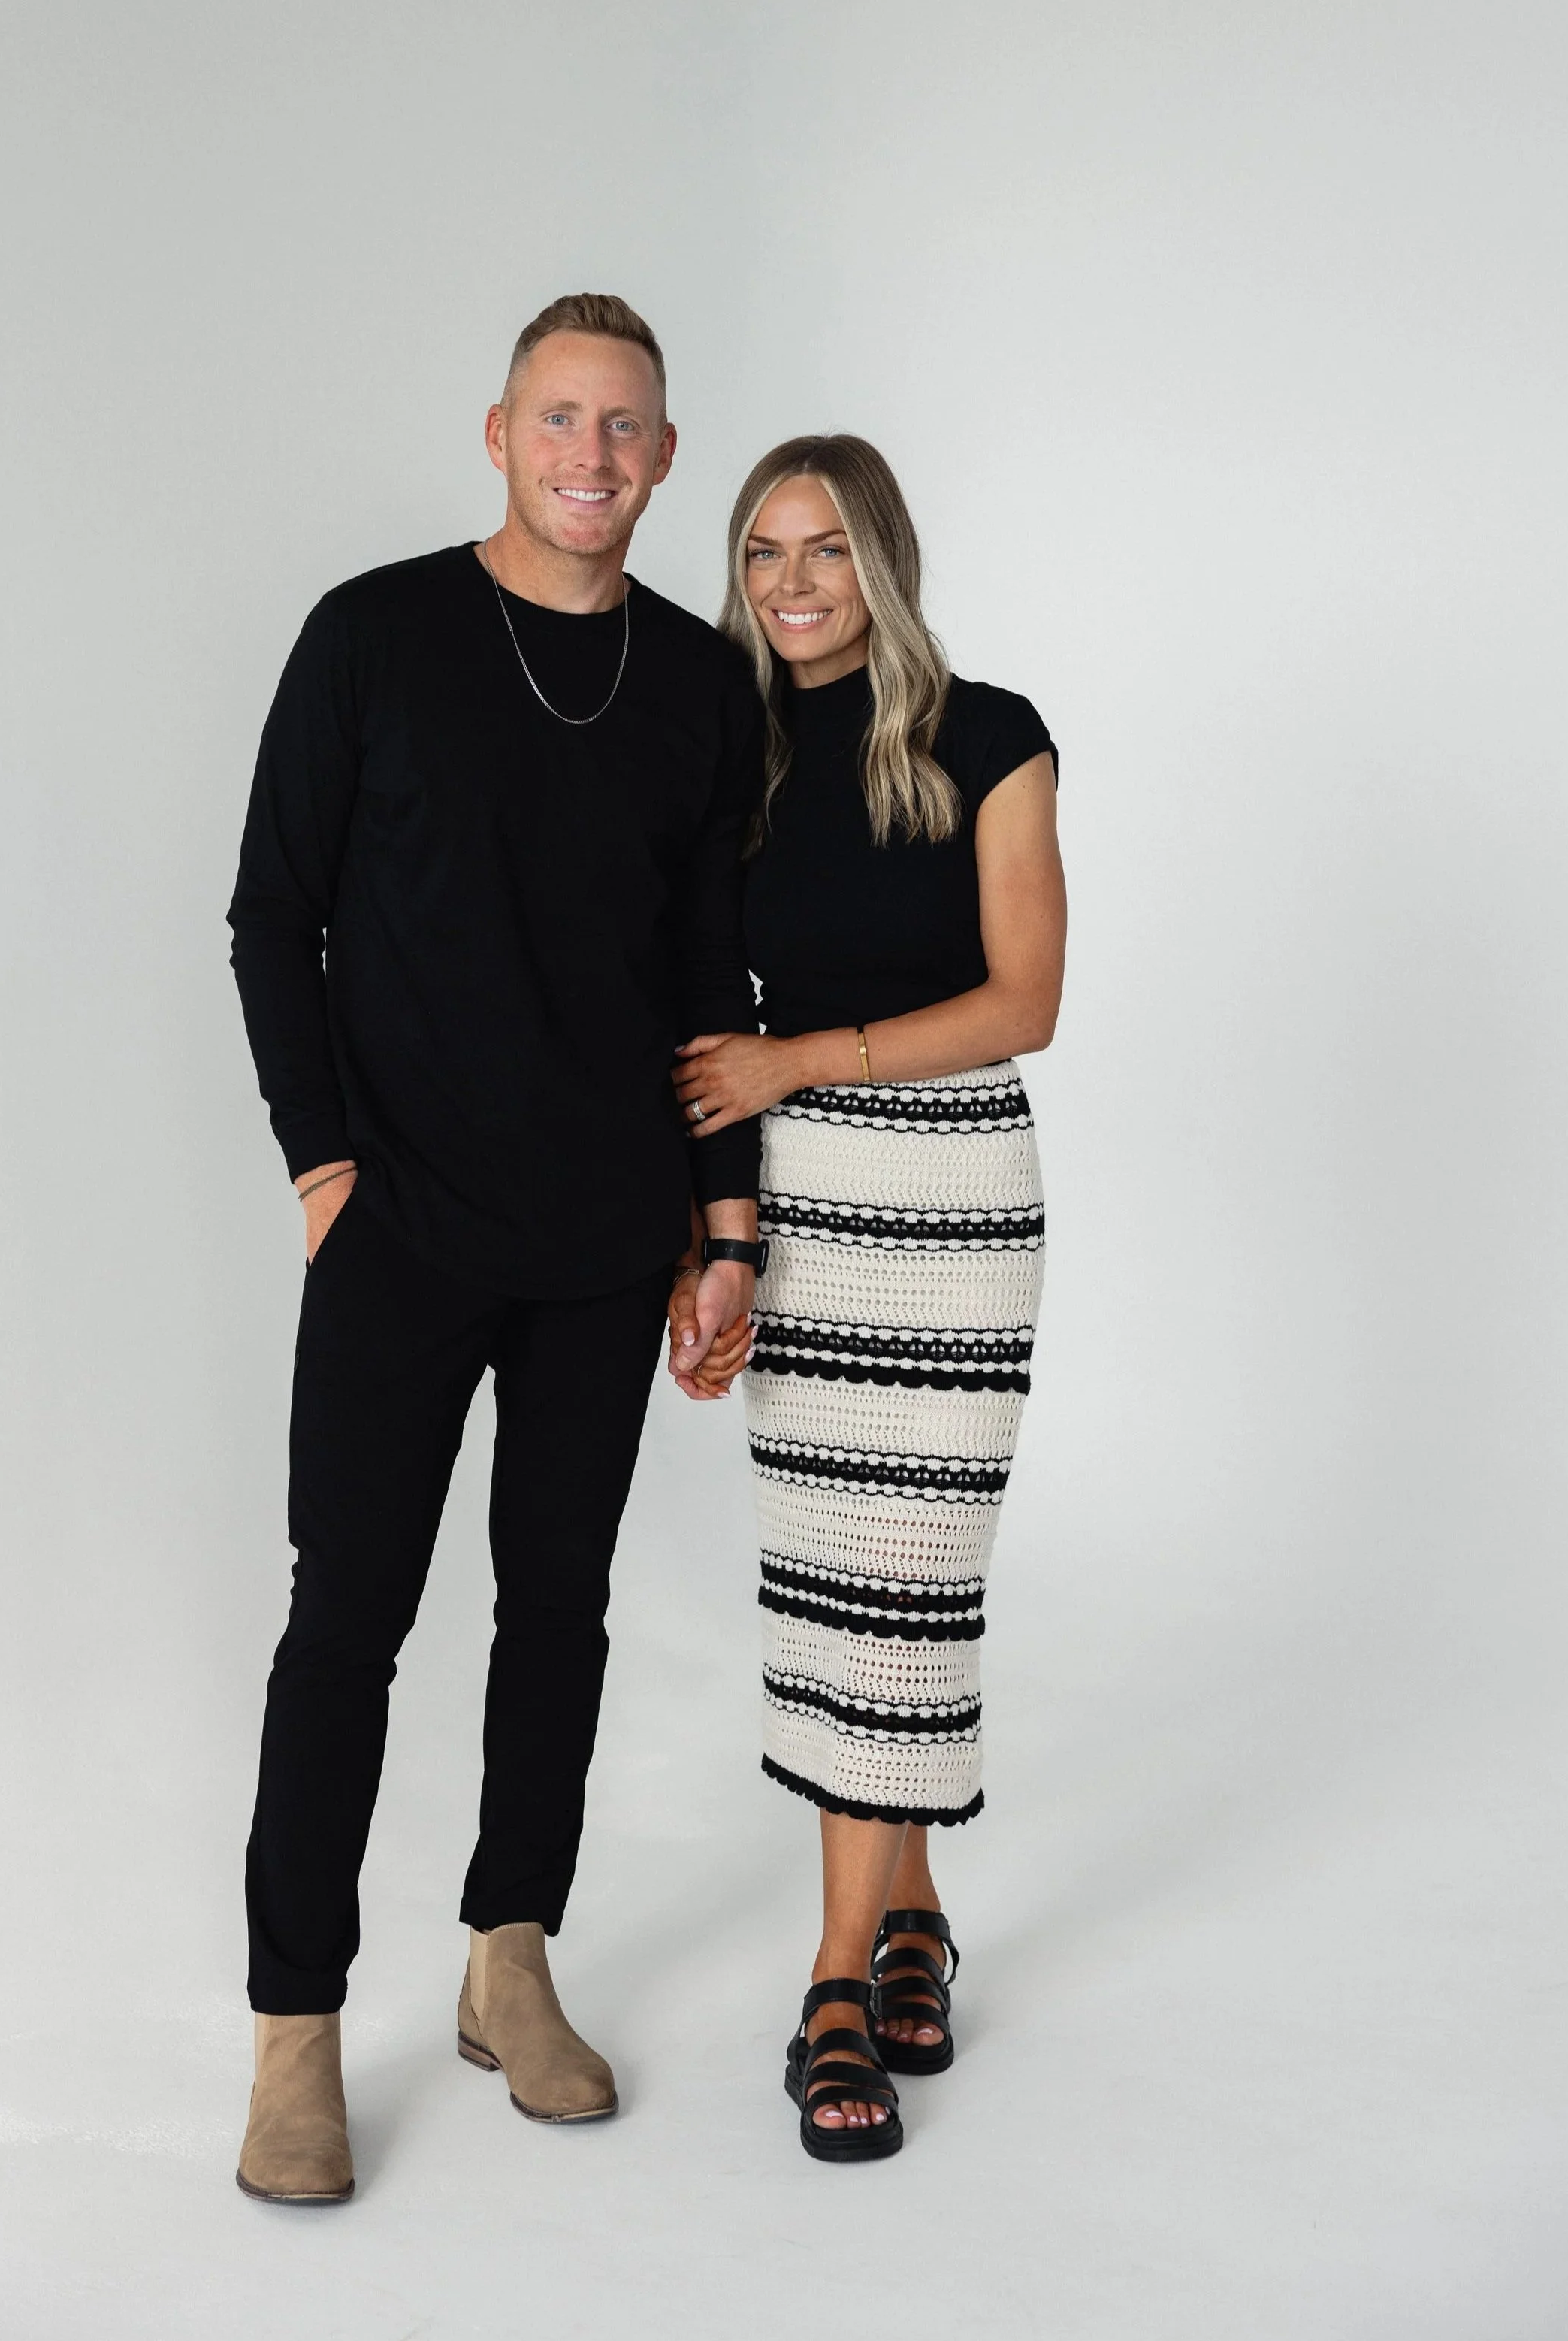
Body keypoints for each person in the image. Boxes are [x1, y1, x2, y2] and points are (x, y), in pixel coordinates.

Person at [226, 293, 764, 2203]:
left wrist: (725, 1225)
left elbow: (715, 975)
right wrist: (321, 1167)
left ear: (664, 458)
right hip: (402, 1230)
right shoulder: (372, 635)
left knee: (559, 1608)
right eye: (559, 419)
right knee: (345, 1622)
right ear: (497, 433)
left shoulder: (700, 685)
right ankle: (296, 2029)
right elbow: (268, 913)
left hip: (612, 1238)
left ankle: (507, 1957)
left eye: (624, 428)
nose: (590, 457)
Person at [669, 434, 1066, 2161]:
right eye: (762, 550)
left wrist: (799, 1056)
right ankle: (907, 1918)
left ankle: (835, 1975)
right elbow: (689, 1013)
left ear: (882, 560)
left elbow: (1022, 999)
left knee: (911, 1577)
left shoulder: (988, 733)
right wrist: (719, 1240)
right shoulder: (721, 750)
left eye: (824, 548)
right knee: (841, 1588)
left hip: (953, 1191)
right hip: (802, 1206)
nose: (791, 582)